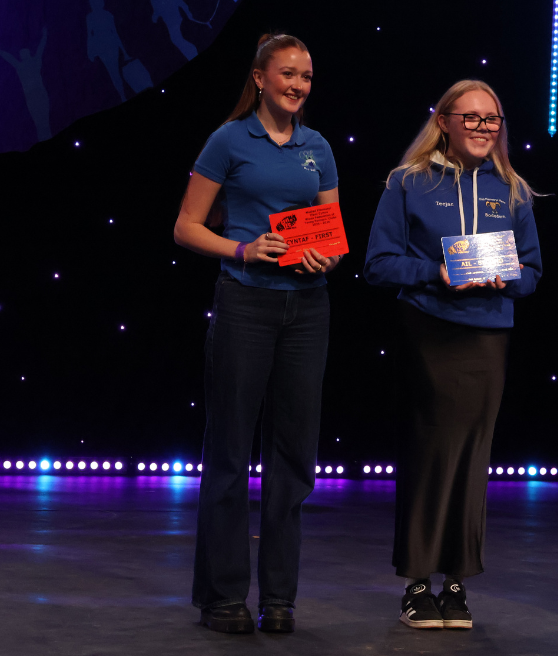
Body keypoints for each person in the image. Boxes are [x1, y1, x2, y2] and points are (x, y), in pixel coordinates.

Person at [173, 33, 341, 634]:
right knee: (230, 450)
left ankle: (279, 598)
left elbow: (331, 236)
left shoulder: (317, 147)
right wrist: (243, 249)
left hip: (307, 310)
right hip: (245, 303)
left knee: (293, 455)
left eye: (307, 76)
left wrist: (324, 256)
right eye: (288, 74)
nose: (298, 85)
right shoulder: (229, 139)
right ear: (261, 78)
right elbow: (186, 227)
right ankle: (222, 597)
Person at [364, 79, 541, 630]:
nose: (485, 128)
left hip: (488, 337)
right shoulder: (408, 182)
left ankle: (456, 584)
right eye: (473, 118)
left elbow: (532, 272)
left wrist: (507, 277)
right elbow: (378, 264)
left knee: (473, 456)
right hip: (429, 332)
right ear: (444, 121)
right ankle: (417, 583)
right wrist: (436, 272)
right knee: (429, 452)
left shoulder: (512, 189)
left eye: (493, 119)